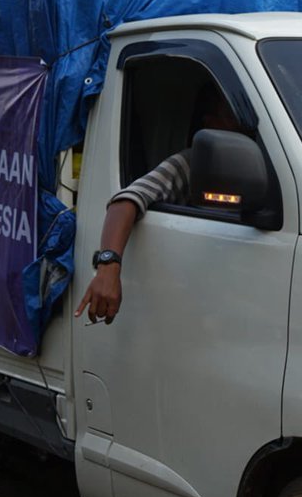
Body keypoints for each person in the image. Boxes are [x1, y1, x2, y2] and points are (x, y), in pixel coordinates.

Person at [75, 83, 241, 325]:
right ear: (210, 123)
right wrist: (108, 264)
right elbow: (126, 200)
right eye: (233, 116)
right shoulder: (192, 163)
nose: (244, 127)